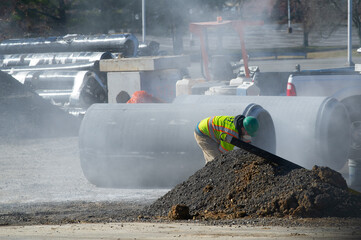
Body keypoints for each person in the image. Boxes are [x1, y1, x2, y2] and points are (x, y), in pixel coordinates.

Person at [194, 115, 259, 163]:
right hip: (203, 133)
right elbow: (223, 152)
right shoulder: (231, 134)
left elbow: (246, 139)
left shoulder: (240, 122)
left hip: (211, 128)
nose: (249, 135)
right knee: (216, 160)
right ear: (243, 128)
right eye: (248, 133)